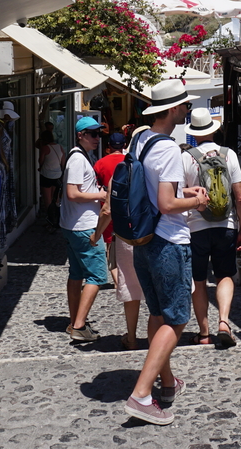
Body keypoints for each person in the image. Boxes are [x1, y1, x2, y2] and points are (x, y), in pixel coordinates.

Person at [123, 79, 210, 426]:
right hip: (169, 243)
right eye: (185, 106)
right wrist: (197, 200)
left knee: (158, 315)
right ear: (173, 110)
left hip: (142, 242)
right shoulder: (171, 149)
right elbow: (167, 203)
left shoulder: (140, 140)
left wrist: (181, 188)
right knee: (176, 320)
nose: (187, 111)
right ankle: (141, 394)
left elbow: (150, 186)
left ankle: (168, 382)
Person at [182, 108, 241, 348]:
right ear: (214, 128)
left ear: (194, 134)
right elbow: (240, 197)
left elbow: (179, 192)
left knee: (198, 280)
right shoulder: (228, 155)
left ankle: (204, 333)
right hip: (226, 226)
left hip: (195, 228)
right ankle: (224, 322)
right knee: (224, 276)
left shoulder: (186, 157)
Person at [91, 132, 142, 351]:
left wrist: (95, 236)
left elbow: (107, 207)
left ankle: (131, 337)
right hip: (157, 236)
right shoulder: (158, 168)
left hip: (126, 233)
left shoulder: (122, 169)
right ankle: (161, 337)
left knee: (131, 288)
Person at [61, 116, 108, 342]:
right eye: (92, 134)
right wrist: (99, 194)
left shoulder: (80, 156)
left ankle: (74, 321)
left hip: (73, 225)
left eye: (99, 134)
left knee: (77, 274)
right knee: (97, 275)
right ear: (81, 135)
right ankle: (79, 325)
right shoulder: (78, 159)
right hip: (84, 226)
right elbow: (73, 193)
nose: (97, 138)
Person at [37, 126, 66, 217]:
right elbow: (63, 163)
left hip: (46, 176)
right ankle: (56, 217)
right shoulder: (60, 147)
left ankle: (50, 220)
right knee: (56, 199)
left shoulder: (45, 148)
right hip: (57, 175)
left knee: (47, 200)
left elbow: (40, 161)